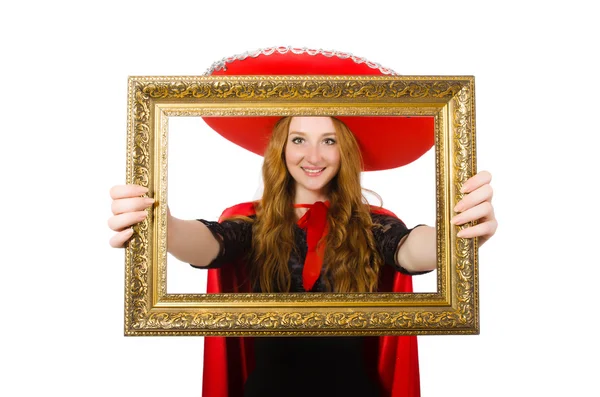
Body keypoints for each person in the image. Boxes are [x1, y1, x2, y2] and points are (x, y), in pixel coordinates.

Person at [108, 48, 497, 397]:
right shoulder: (251, 221)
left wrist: (457, 232)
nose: (313, 155)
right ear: (280, 146)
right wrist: (160, 225)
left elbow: (409, 250)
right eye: (298, 139)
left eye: (328, 140)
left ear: (345, 150)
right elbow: (212, 243)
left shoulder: (372, 224)